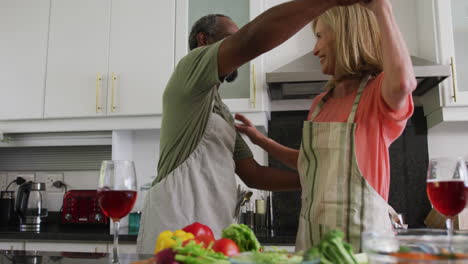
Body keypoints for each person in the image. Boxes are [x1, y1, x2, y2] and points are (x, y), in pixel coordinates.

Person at [136, 0, 364, 254]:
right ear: (203, 40)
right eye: (230, 39)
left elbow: (253, 173)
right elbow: (250, 42)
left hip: (212, 231)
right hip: (174, 229)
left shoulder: (219, 108)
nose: (238, 50)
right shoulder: (189, 68)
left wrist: (317, 181)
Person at [235, 0, 416, 252]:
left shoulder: (376, 95)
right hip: (312, 243)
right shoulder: (321, 103)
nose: (315, 49)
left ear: (345, 36)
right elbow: (312, 164)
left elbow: (403, 84)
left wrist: (382, 8)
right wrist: (261, 141)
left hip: (361, 250)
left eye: (319, 36)